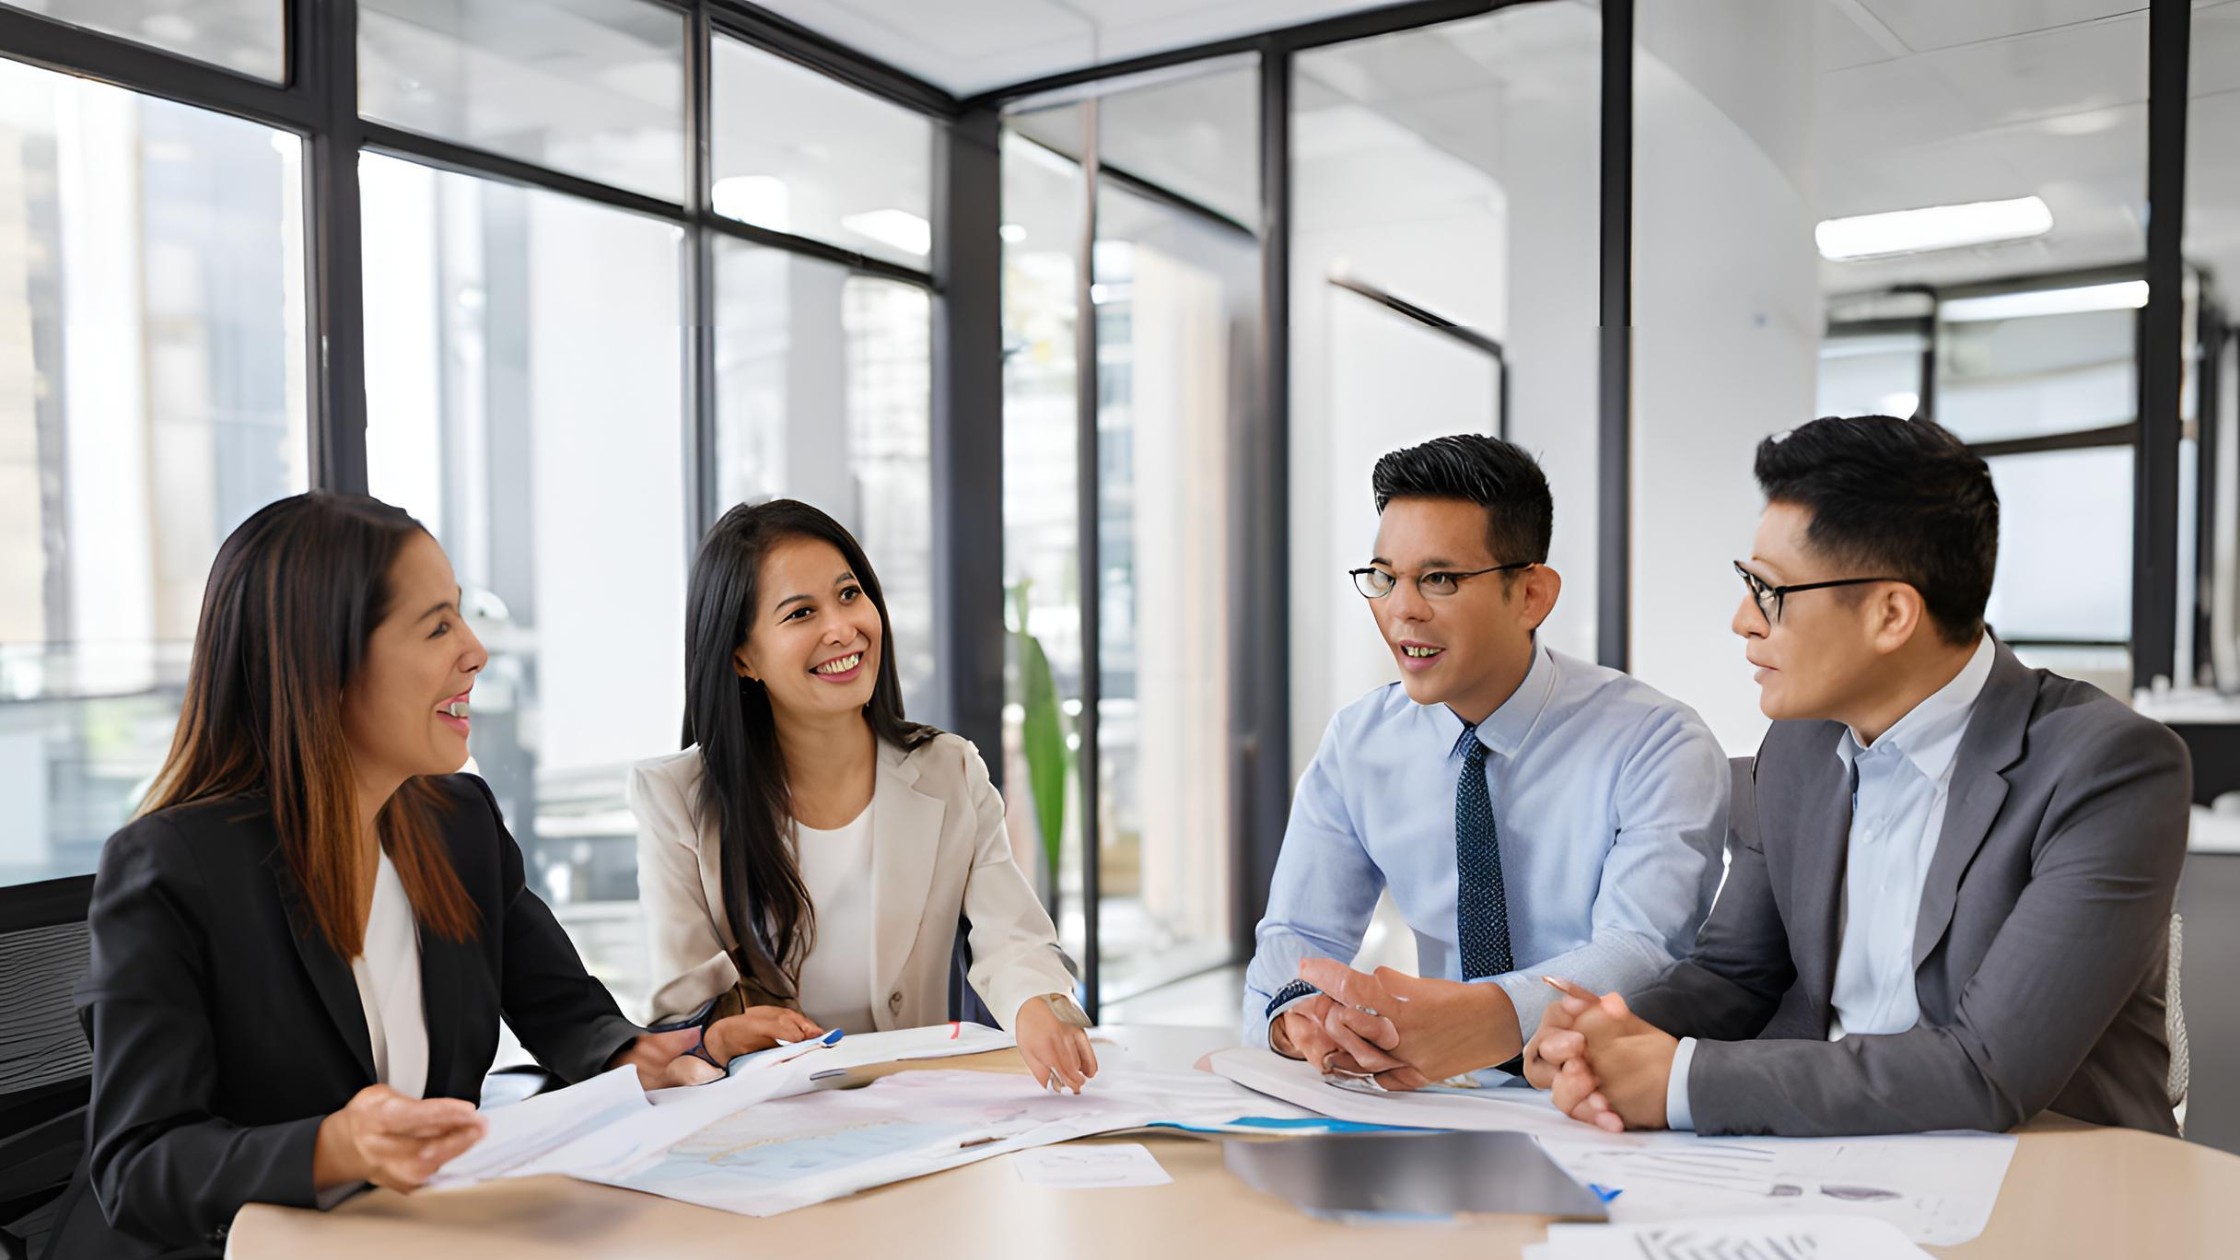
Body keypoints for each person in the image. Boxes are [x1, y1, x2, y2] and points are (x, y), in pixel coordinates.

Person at [49, 493, 720, 1260]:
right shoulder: (175, 864)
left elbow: (566, 1012)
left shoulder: (457, 823)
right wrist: (336, 1147)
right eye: (437, 626)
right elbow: (139, 1170)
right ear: (323, 662)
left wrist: (642, 1054)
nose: (475, 650)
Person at [1526, 414, 2191, 1137]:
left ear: (1891, 614)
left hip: (2051, 1174)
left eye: (1769, 592)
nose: (1742, 621)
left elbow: (1990, 1069)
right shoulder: (1797, 747)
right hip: (1829, 1164)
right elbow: (1732, 977)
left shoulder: (2109, 767)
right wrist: (1598, 1042)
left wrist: (1680, 1080)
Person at [1243, 435, 1728, 1087]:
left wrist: (1490, 1018)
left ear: (1531, 595)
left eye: (1439, 579)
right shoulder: (1360, 741)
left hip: (1603, 1090)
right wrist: (1298, 1016)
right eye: (1385, 577)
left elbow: (1644, 951)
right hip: (1429, 1095)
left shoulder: (1657, 742)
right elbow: (1298, 933)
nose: (1401, 610)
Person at [633, 499, 1096, 1093]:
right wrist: (722, 1037)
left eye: (849, 594)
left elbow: (1013, 938)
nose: (842, 628)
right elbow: (683, 1012)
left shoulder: (949, 770)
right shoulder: (674, 797)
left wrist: (1038, 1004)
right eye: (801, 613)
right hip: (763, 1121)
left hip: (916, 1115)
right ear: (743, 657)